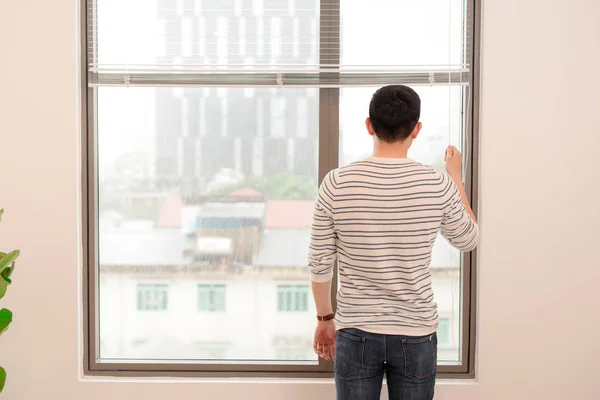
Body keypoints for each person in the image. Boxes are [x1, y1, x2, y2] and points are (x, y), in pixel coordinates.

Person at [308, 85, 479, 400]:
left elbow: (320, 261)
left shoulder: (336, 182)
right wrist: (456, 177)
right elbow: (469, 238)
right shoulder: (437, 183)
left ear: (369, 125)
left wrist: (324, 318)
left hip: (355, 330)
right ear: (416, 130)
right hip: (415, 333)